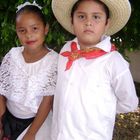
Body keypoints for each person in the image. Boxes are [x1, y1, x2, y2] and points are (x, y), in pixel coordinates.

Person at [51, 0, 139, 140]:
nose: (88, 22)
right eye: (81, 16)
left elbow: (129, 102)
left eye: (96, 17)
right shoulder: (66, 50)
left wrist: (104, 108)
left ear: (107, 24)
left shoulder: (113, 62)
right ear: (72, 22)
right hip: (58, 134)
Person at [0, 1, 58, 140]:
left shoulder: (53, 61)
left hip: (35, 123)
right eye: (22, 30)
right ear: (17, 32)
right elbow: (2, 90)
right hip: (7, 117)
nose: (29, 35)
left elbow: (47, 101)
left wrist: (31, 134)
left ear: (45, 29)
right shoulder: (12, 55)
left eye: (34, 28)